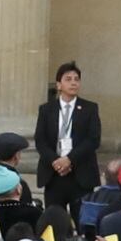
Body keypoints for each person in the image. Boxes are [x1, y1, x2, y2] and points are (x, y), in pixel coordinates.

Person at [36, 64, 103, 210]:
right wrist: (56, 161)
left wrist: (69, 159)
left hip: (80, 174)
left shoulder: (90, 108)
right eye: (68, 79)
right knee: (54, 219)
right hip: (54, 174)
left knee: (81, 219)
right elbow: (40, 140)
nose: (73, 83)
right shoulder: (46, 109)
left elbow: (93, 140)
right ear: (59, 85)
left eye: (76, 79)